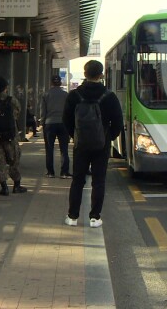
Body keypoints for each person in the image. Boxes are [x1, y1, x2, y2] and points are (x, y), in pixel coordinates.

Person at [62, 60, 123, 228]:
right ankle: (95, 217)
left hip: (81, 144)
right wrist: (108, 137)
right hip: (101, 145)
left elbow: (66, 120)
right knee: (99, 181)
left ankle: (73, 217)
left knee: (78, 180)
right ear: (101, 75)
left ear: (85, 73)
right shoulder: (109, 96)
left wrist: (75, 136)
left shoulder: (74, 95)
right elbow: (118, 122)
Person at [0, 77, 27, 195]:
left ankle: (4, 187)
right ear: (6, 88)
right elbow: (17, 112)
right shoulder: (12, 100)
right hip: (11, 135)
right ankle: (16, 185)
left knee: (0, 161)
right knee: (14, 159)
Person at [40, 75, 71, 179]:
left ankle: (50, 172)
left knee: (49, 149)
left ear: (51, 83)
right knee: (64, 149)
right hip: (63, 124)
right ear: (60, 83)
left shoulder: (46, 95)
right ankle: (64, 172)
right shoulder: (66, 95)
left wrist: (43, 123)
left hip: (49, 124)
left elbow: (43, 111)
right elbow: (68, 111)